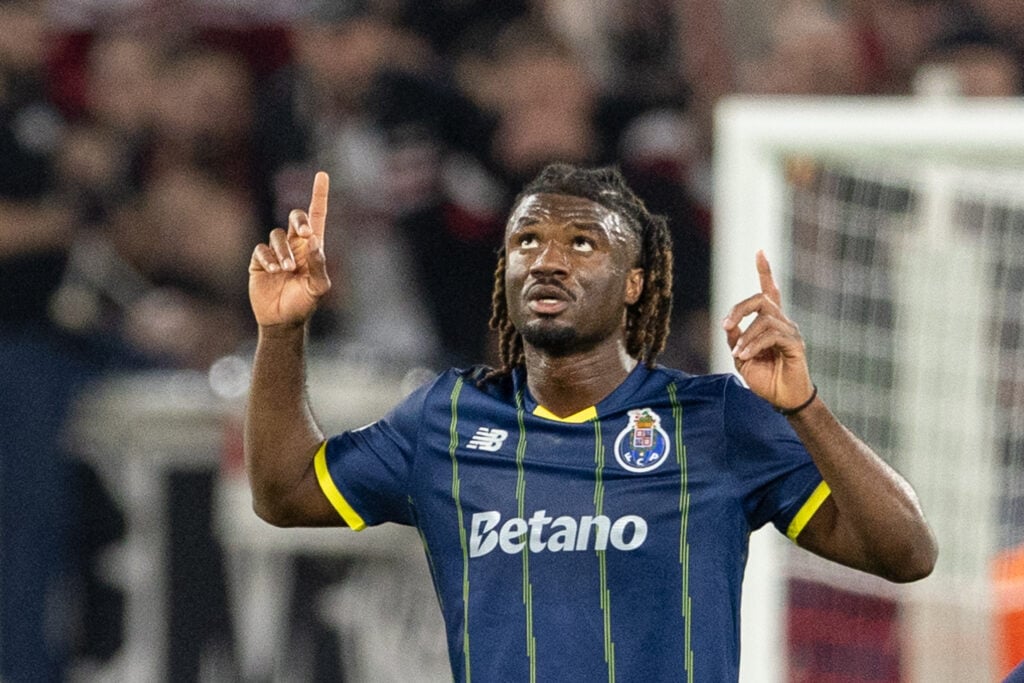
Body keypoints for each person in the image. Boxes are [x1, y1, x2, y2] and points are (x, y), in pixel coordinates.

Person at [245, 164, 938, 680]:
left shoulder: (715, 420)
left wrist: (804, 408)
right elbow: (284, 493)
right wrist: (282, 333)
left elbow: (908, 551)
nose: (547, 259)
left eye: (583, 244)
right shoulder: (447, 418)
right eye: (527, 241)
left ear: (635, 282)